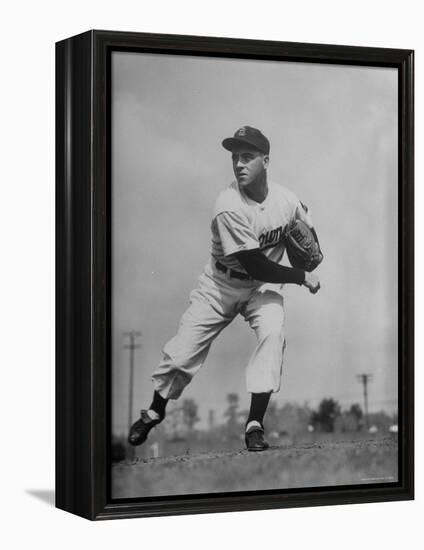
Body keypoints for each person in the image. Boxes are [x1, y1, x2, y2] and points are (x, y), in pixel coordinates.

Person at [128, 125, 321, 452]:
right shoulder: (227, 204)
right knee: (180, 356)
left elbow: (310, 237)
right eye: (235, 158)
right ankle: (153, 412)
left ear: (266, 160)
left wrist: (313, 253)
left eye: (247, 157)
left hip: (263, 287)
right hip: (220, 285)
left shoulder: (287, 200)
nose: (239, 164)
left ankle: (254, 424)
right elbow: (254, 264)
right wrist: (301, 277)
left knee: (274, 334)